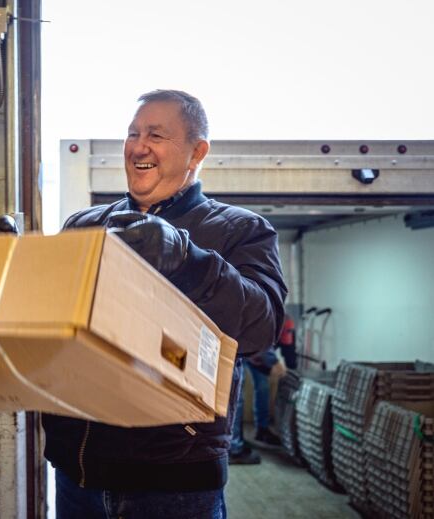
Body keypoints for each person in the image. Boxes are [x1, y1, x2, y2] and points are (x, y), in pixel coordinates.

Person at [42, 89, 287, 518]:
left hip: (175, 486)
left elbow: (259, 328)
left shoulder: (241, 230)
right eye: (133, 133)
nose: (139, 146)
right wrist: (15, 266)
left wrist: (188, 259)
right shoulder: (84, 226)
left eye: (156, 135)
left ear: (197, 151)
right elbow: (53, 324)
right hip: (78, 477)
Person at [229, 349, 286, 465]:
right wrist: (272, 360)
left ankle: (262, 430)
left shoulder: (286, 332)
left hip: (253, 347)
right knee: (237, 392)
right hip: (240, 345)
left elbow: (285, 341)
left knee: (262, 383)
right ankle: (233, 449)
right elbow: (256, 334)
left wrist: (289, 362)